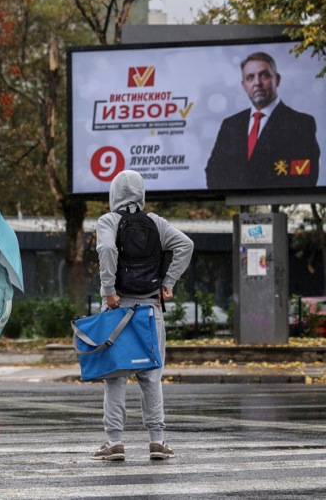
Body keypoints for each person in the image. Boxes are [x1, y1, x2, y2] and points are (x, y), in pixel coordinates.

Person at [93, 169, 194, 462]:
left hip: (118, 308)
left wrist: (109, 289)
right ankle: (157, 441)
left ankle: (114, 443)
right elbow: (185, 245)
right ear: (141, 193)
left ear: (113, 194)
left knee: (115, 377)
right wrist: (168, 284)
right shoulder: (156, 223)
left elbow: (107, 248)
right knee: (151, 376)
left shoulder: (108, 220)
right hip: (150, 309)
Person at [205, 51, 320, 190]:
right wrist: (242, 195)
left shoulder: (301, 123)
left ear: (277, 79)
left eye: (264, 75)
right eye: (250, 78)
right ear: (244, 85)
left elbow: (305, 174)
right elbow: (213, 172)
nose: (257, 83)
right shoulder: (230, 125)